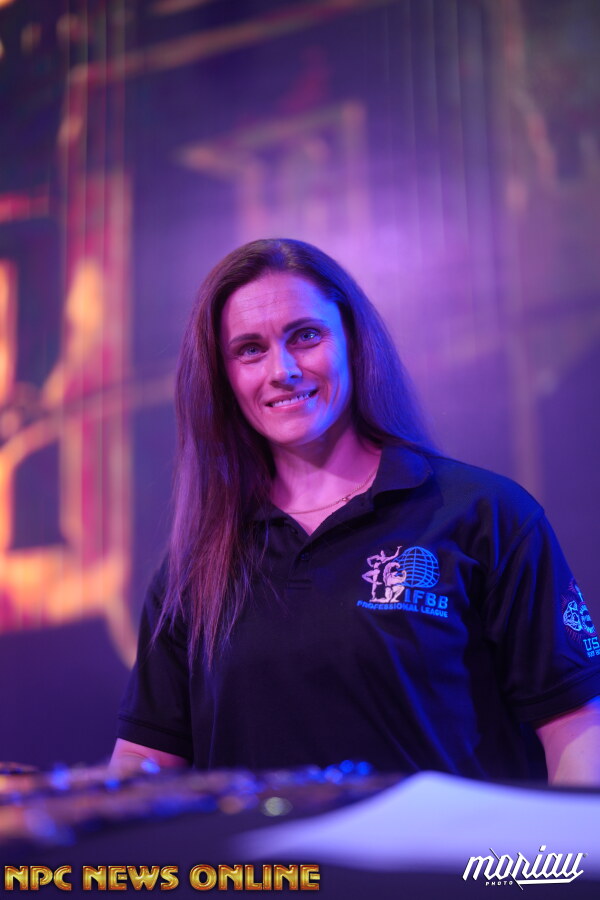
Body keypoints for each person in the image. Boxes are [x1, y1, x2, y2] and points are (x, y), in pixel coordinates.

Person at [112, 238, 600, 784]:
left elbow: (576, 727)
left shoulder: (485, 515)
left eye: (305, 336)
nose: (282, 370)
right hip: (264, 848)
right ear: (223, 377)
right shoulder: (194, 566)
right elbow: (145, 758)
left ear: (352, 341)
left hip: (446, 845)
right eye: (249, 349)